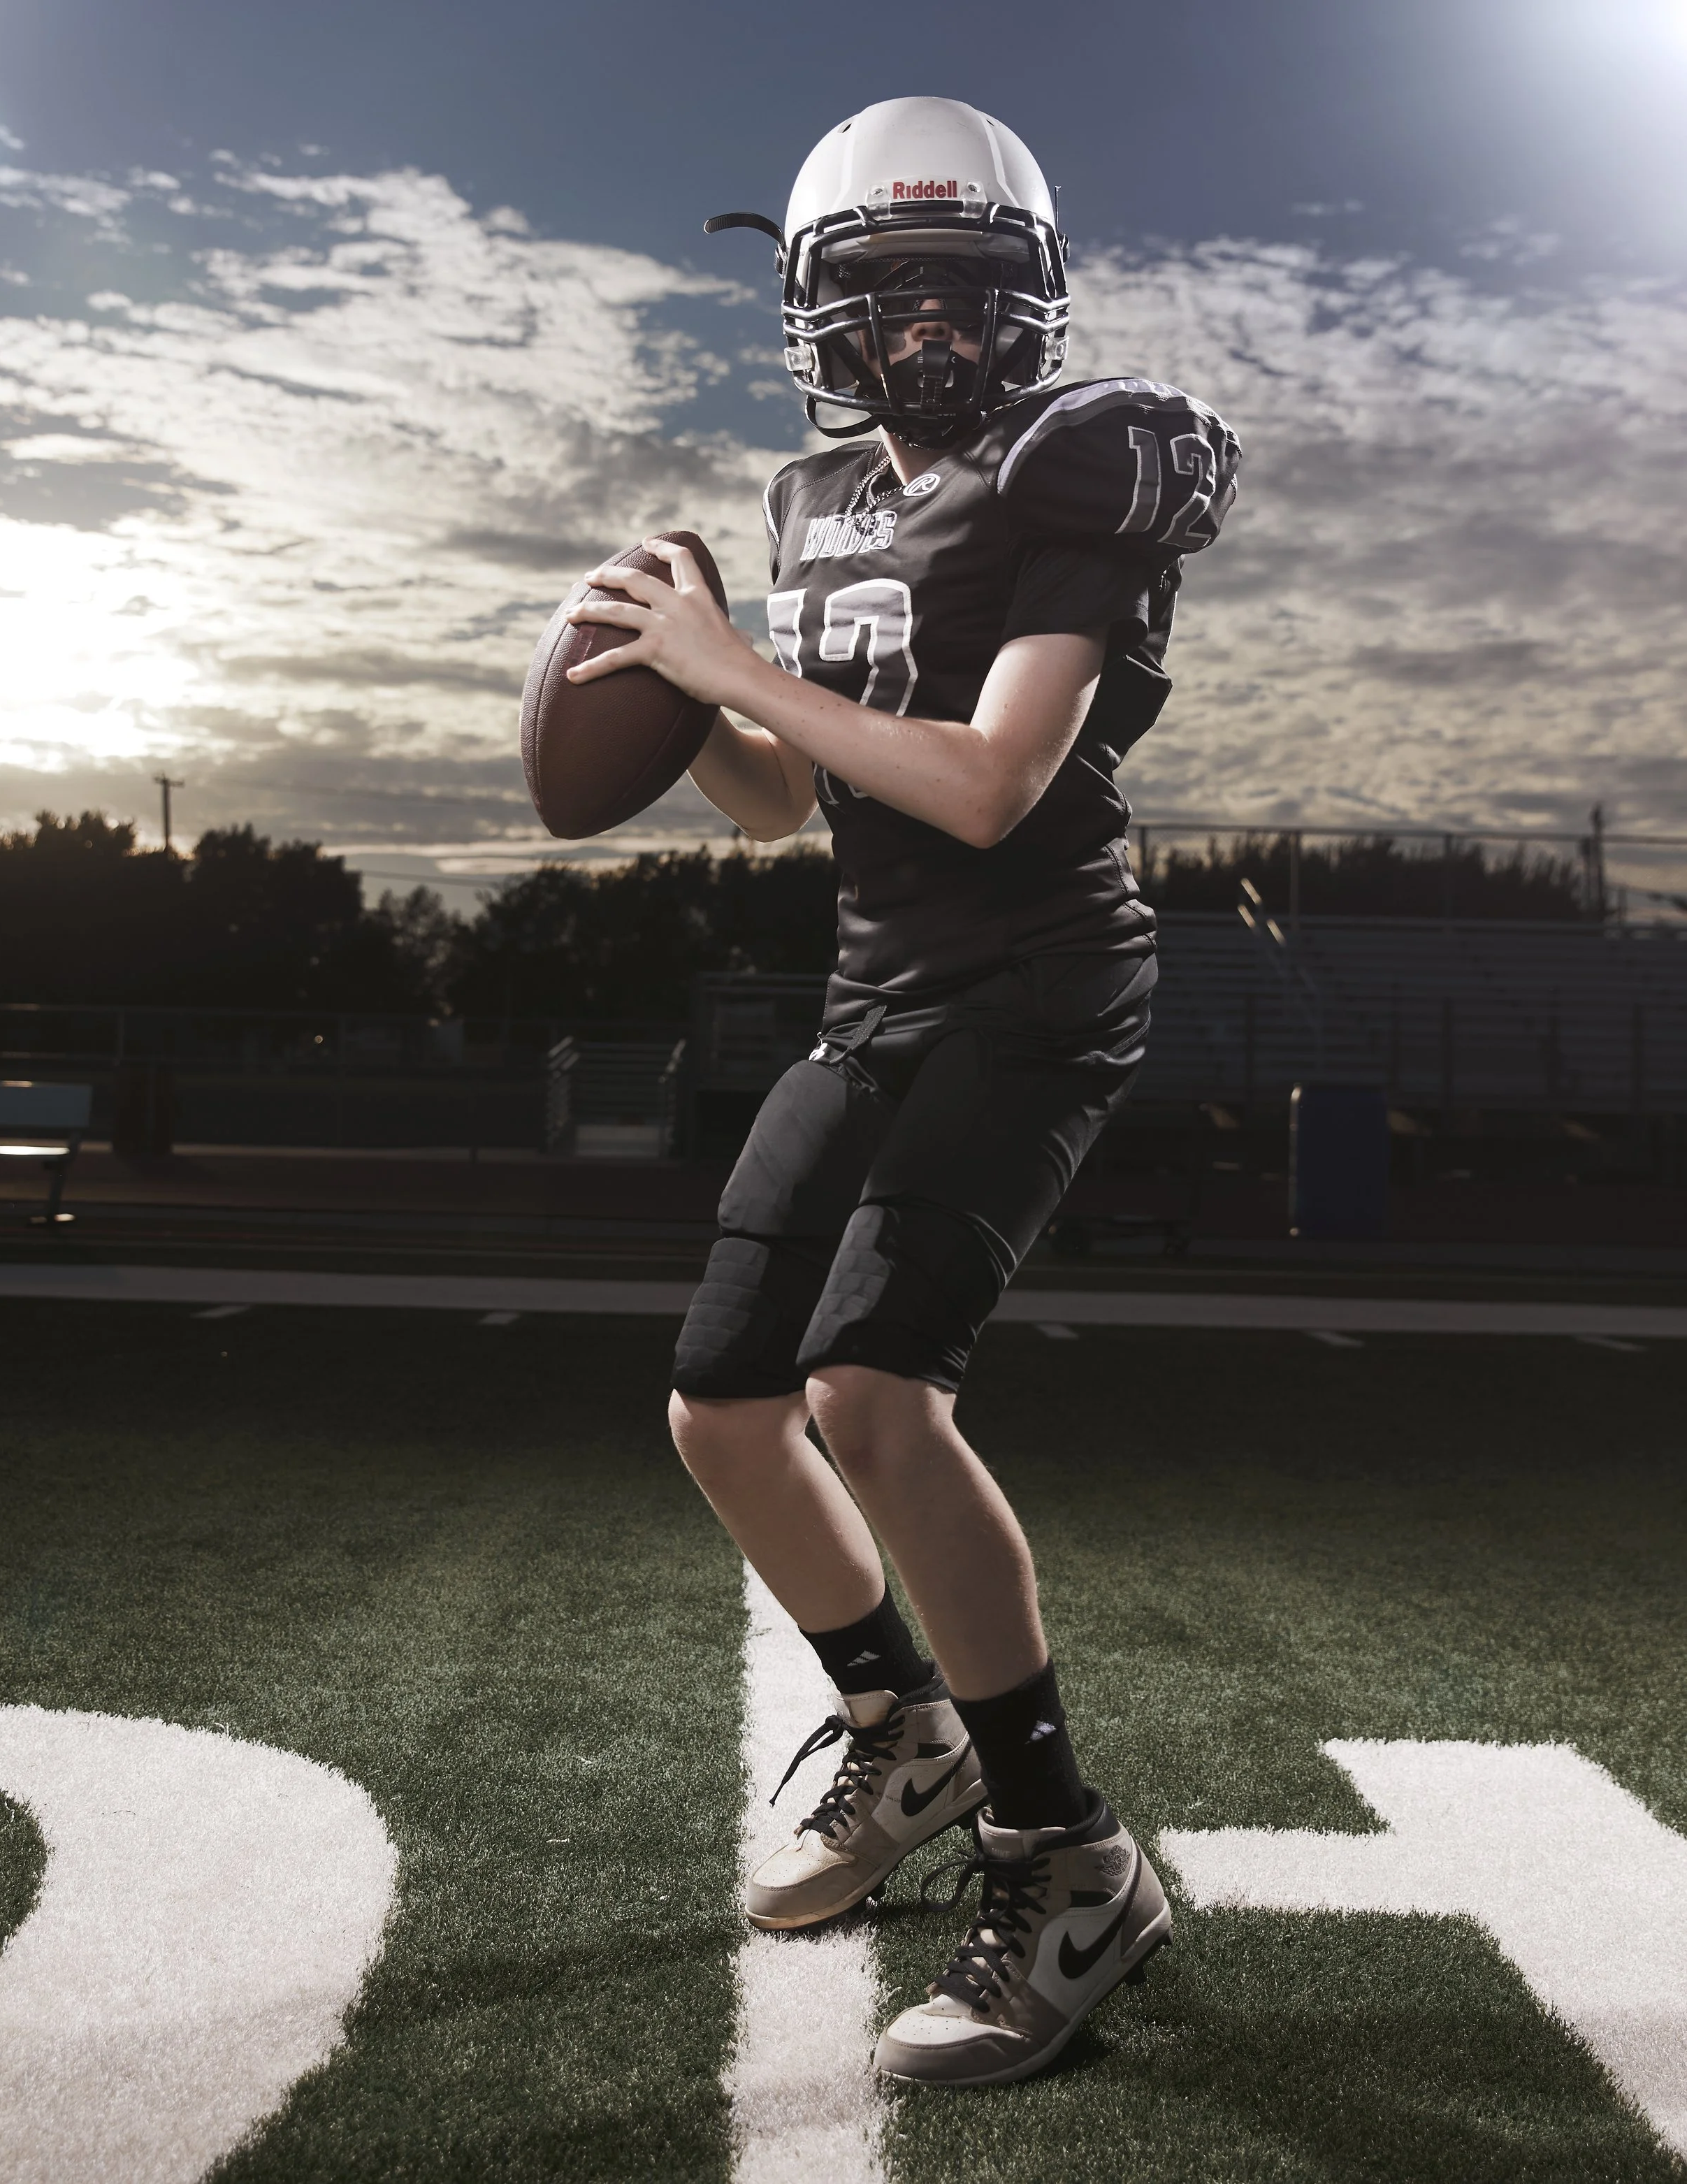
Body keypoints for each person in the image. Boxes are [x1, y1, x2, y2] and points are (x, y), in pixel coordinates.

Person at [563, 95, 1240, 2089]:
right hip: (878, 987)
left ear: (1025, 304)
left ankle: (1065, 1855)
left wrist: (726, 661)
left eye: (963, 293)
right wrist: (686, 688)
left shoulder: (1077, 469)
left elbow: (982, 780)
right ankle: (901, 1727)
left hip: (1038, 980)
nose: (930, 333)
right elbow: (798, 792)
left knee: (870, 1390)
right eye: (890, 295)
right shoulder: (805, 500)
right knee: (720, 1403)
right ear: (815, 315)